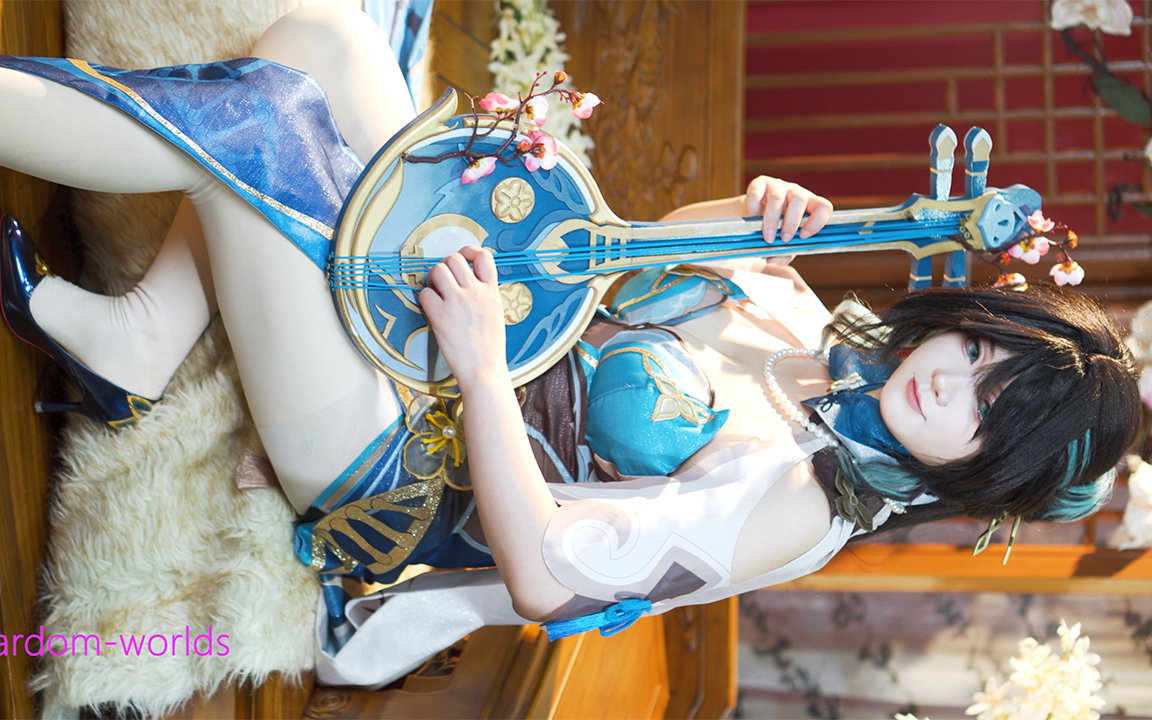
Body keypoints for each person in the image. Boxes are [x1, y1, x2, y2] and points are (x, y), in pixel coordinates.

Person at [0, 4, 1140, 686]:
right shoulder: (822, 340)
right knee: (321, 39)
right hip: (435, 353)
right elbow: (624, 277)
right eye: (984, 357)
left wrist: (482, 364)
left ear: (991, 475)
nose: (954, 384)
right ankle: (142, 341)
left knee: (259, 126)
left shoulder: (802, 510)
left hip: (397, 473)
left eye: (993, 416)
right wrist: (742, 218)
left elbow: (545, 578)